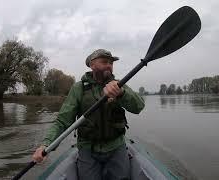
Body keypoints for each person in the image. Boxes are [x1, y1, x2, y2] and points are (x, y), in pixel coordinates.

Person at [32, 49, 145, 180]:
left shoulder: (120, 85)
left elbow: (139, 107)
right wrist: (46, 145)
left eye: (111, 63)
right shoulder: (78, 88)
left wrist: (122, 94)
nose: (109, 65)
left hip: (116, 147)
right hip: (88, 150)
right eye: (104, 62)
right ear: (92, 65)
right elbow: (63, 122)